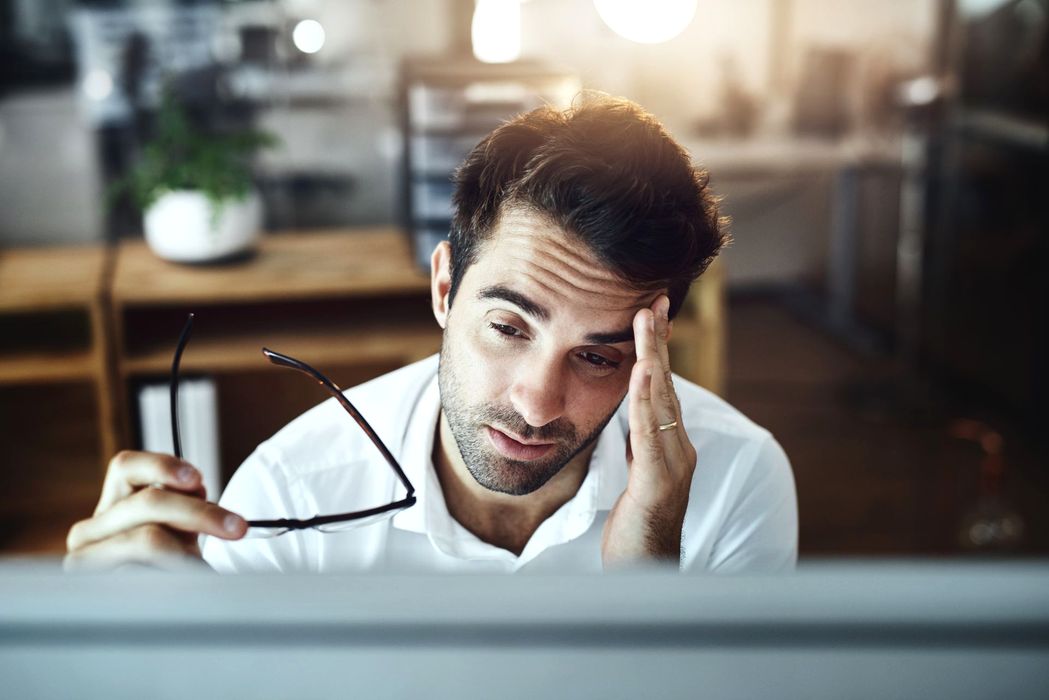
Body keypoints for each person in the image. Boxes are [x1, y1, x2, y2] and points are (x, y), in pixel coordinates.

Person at [65, 93, 797, 574]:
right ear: (445, 288)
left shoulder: (736, 480)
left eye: (597, 357)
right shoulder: (286, 494)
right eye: (508, 326)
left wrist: (649, 575)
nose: (537, 404)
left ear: (653, 351)